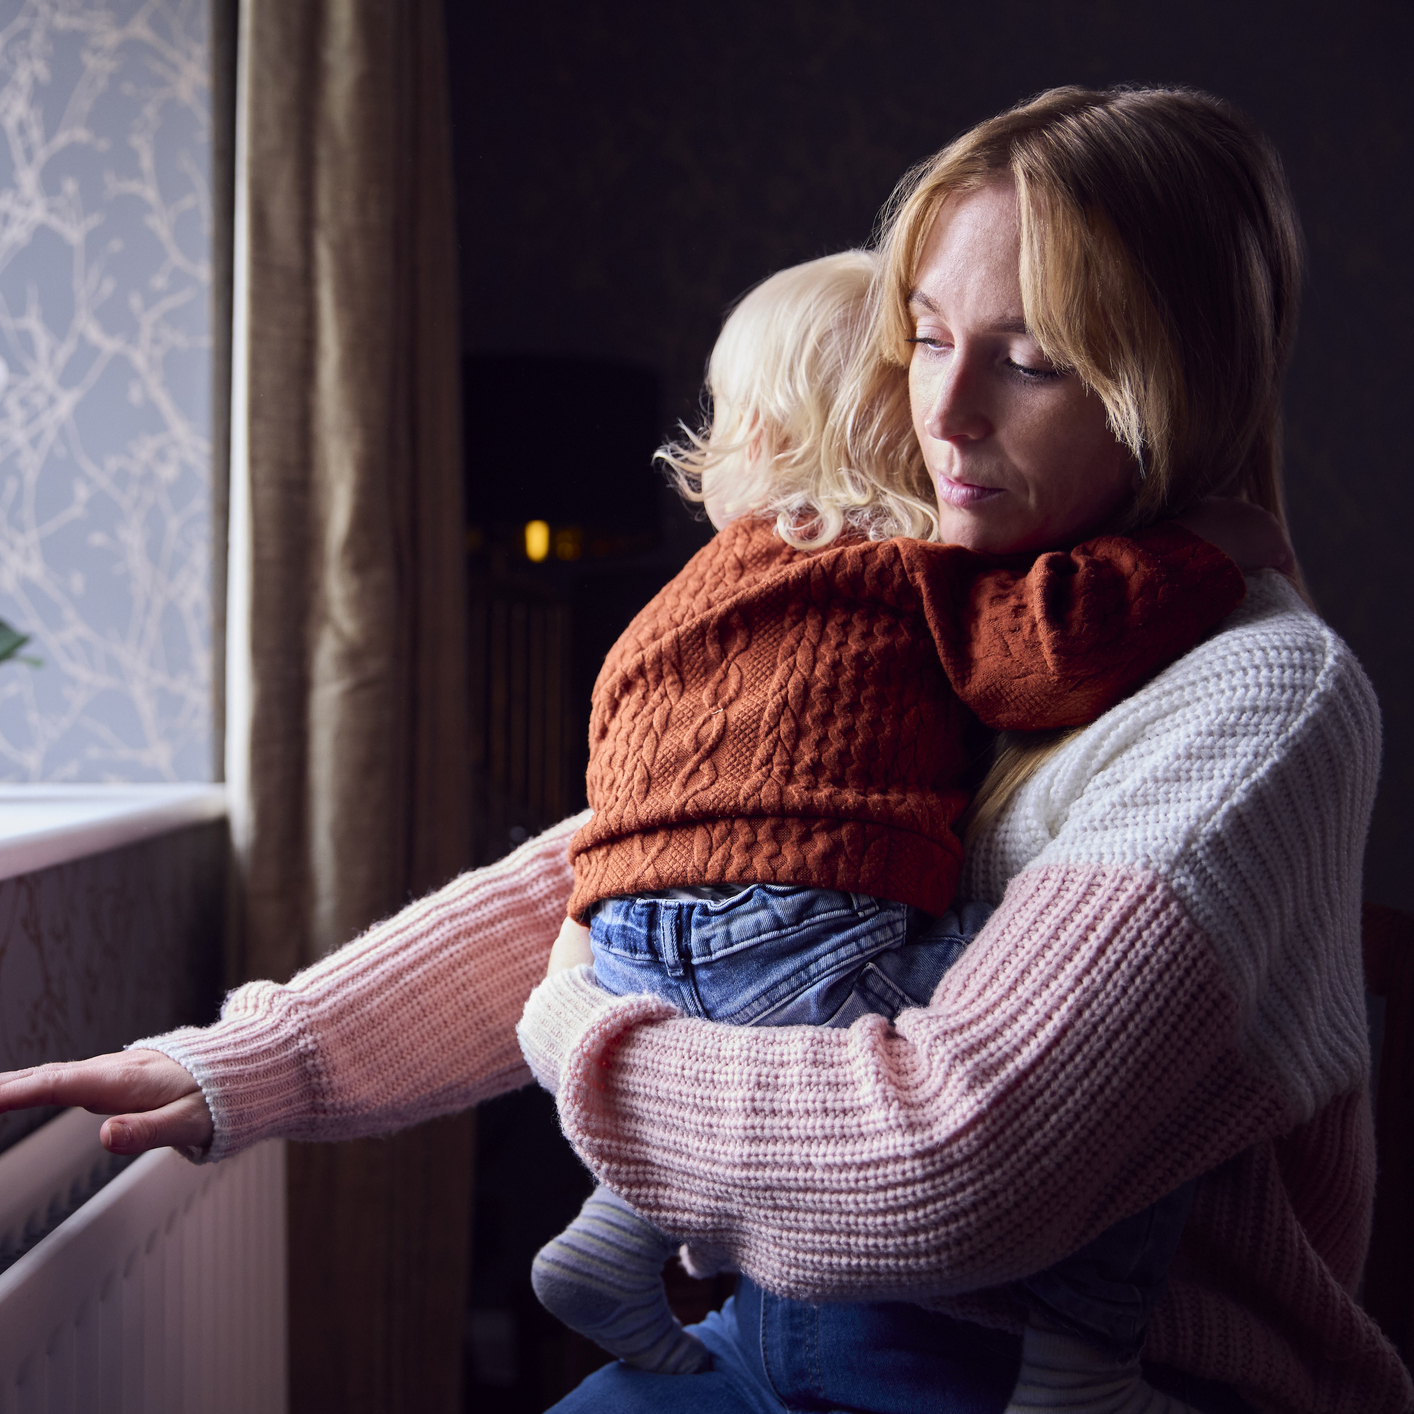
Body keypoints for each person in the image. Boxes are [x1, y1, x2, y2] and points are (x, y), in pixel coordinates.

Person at [0, 85, 1406, 1414]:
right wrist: (238, 1067)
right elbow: (650, 867)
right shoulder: (952, 588)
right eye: (922, 335)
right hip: (763, 1333)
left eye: (1030, 359)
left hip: (1056, 1379)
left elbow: (944, 1163)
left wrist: (576, 1033)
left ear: (1177, 385)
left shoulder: (1255, 698)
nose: (946, 410)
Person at [528, 244, 1261, 1414]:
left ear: (756, 443)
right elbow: (1049, 654)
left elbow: (617, 785)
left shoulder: (675, 604)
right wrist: (1208, 553)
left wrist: (590, 947)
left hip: (620, 936)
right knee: (1127, 1068)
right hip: (798, 926)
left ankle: (617, 1235)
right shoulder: (900, 563)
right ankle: (1086, 1355)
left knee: (731, 1031)